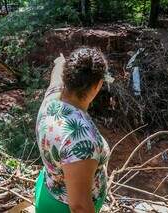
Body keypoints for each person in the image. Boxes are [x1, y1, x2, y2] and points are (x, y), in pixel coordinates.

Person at [35, 47, 113, 213]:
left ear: (66, 77)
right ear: (98, 85)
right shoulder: (82, 139)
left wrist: (60, 62)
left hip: (47, 192)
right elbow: (79, 207)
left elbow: (56, 77)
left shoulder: (51, 101)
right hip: (63, 208)